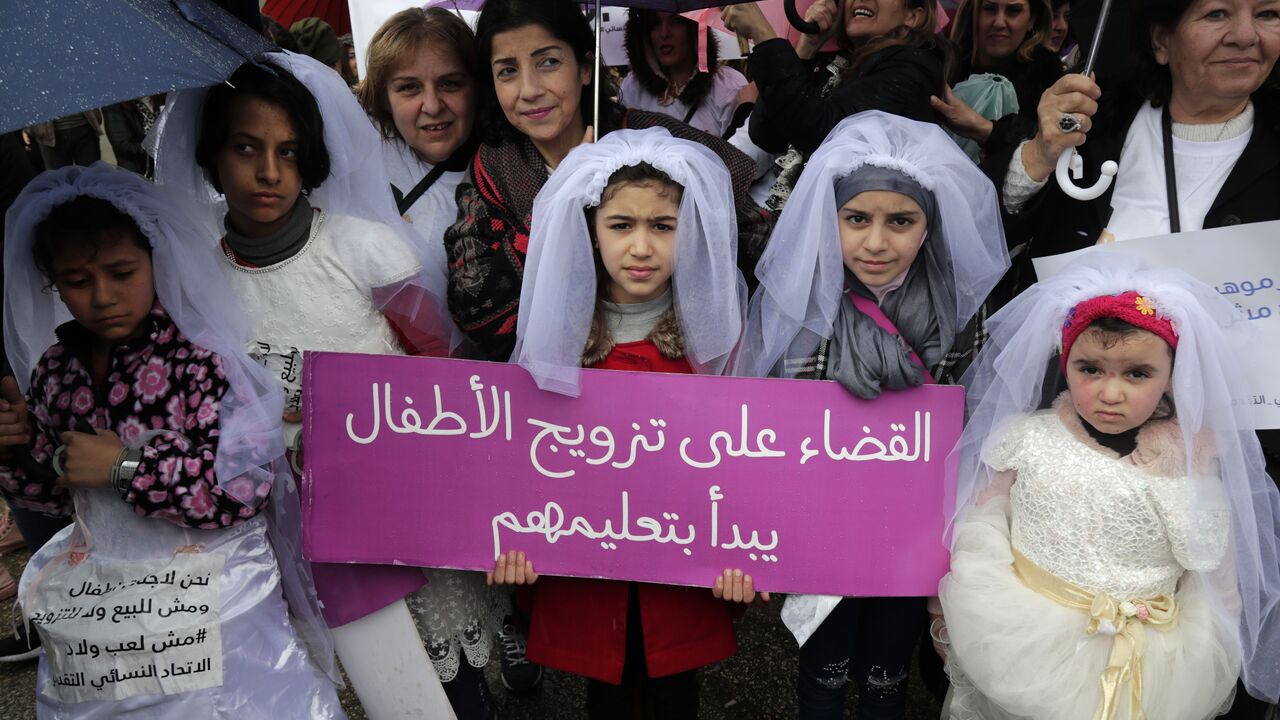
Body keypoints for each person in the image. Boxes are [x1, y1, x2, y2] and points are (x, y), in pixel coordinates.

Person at [154, 53, 482, 719]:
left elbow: (436, 369)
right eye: (246, 149)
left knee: (444, 681)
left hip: (394, 502)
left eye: (288, 151)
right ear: (213, 154)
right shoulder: (194, 280)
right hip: (280, 520)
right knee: (353, 679)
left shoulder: (365, 250)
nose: (269, 173)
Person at [1, 163, 343, 717]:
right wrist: (16, 452)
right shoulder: (55, 371)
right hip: (108, 608)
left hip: (209, 601)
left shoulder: (202, 361)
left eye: (121, 271)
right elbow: (54, 495)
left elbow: (241, 490)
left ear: (156, 260)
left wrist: (127, 466)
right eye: (77, 281)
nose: (104, 296)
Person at [733, 111, 1009, 718]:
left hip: (914, 526)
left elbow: (977, 414)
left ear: (929, 225)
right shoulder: (805, 302)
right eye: (856, 219)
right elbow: (772, 421)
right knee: (824, 666)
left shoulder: (959, 308)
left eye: (901, 221)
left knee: (890, 667)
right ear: (828, 220)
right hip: (823, 520)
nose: (877, 242)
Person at [937, 254, 1280, 718]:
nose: (1110, 393)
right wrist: (973, 605)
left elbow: (1214, 578)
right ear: (1065, 361)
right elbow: (981, 521)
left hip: (1150, 659)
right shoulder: (1027, 438)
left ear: (1172, 376)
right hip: (1025, 638)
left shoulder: (1193, 469)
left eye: (1137, 373)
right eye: (1090, 369)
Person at [495, 128, 756, 718]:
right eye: (621, 225)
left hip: (681, 574)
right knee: (606, 697)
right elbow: (526, 459)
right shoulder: (558, 338)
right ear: (591, 229)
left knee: (673, 692)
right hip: (590, 573)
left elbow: (744, 458)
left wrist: (748, 551)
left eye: (662, 226)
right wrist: (514, 537)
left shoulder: (713, 341)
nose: (641, 247)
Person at [445, 0, 771, 363]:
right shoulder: (495, 169)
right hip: (556, 398)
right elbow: (472, 311)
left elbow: (756, 245)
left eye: (548, 62)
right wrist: (559, 202)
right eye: (507, 71)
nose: (529, 89)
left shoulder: (652, 140)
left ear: (585, 68)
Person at [720, 0, 948, 211]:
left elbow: (821, 132)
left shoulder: (912, 70)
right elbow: (767, 135)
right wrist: (807, 46)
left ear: (914, 17)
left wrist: (764, 35)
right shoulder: (843, 63)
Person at [359, 7, 479, 294]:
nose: (433, 105)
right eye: (410, 87)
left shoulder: (505, 180)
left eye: (450, 83)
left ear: (477, 88)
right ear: (384, 98)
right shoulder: (351, 152)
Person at [931, 0, 1062, 160]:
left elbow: (1048, 143)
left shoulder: (1048, 79)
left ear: (1032, 20)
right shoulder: (942, 64)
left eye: (1013, 10)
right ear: (973, 13)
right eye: (990, 8)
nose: (999, 22)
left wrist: (986, 130)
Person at [619, 10, 748, 137]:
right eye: (654, 23)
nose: (664, 33)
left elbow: (740, 154)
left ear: (695, 28)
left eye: (676, 21)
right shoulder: (633, 88)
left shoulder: (727, 87)